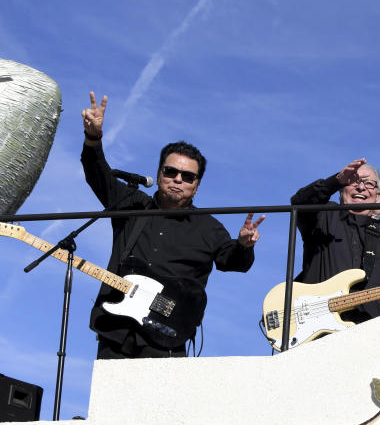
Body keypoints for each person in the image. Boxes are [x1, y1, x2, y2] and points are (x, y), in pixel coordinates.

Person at [80, 92, 264, 360]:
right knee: (110, 400)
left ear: (197, 185)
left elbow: (232, 261)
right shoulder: (132, 204)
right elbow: (97, 175)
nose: (178, 179)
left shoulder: (209, 227)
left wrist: (244, 245)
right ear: (159, 173)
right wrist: (93, 137)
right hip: (116, 330)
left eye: (187, 176)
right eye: (170, 172)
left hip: (167, 336)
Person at [291, 158, 380, 324]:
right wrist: (336, 180)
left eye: (369, 183)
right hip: (316, 330)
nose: (361, 187)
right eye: (353, 181)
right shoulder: (323, 216)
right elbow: (299, 203)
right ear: (341, 191)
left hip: (371, 333)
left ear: (377, 197)